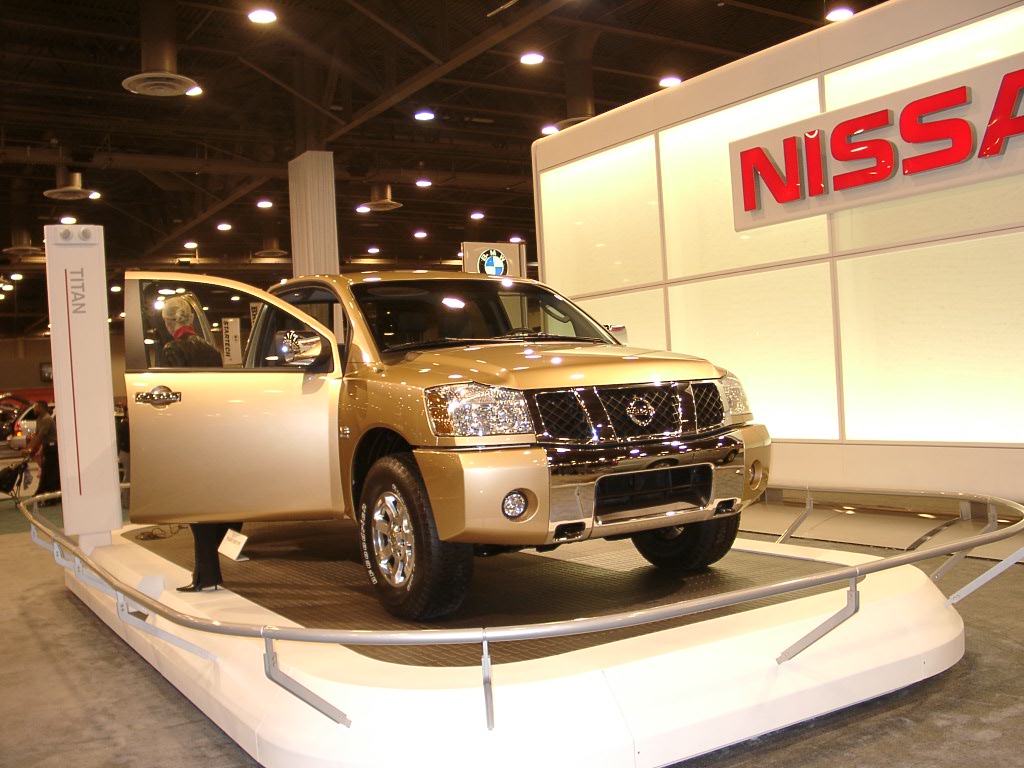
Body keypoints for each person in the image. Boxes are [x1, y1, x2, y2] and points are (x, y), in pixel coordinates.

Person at [158, 296, 230, 592]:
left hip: (188, 434)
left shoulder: (172, 350)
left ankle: (206, 575)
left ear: (169, 321)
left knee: (193, 506)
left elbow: (174, 395)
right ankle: (206, 574)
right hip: (212, 431)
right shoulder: (211, 350)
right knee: (209, 503)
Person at [24, 401, 59, 503]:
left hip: (52, 449)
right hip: (47, 448)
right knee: (47, 473)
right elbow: (36, 436)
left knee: (49, 474)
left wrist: (31, 451)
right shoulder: (40, 419)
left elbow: (40, 437)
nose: (34, 409)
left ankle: (48, 498)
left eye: (35, 407)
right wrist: (28, 448)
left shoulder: (46, 419)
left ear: (41, 408)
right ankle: (41, 495)